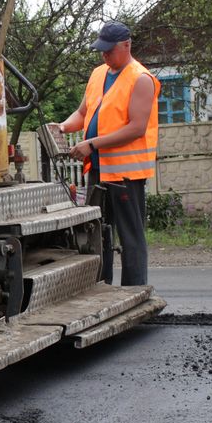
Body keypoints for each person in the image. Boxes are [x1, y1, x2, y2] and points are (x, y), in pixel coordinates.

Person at [58, 21, 159, 286]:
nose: (104, 55)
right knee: (98, 234)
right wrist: (63, 127)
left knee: (130, 236)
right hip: (99, 169)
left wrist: (92, 144)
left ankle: (134, 293)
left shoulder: (141, 79)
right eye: (101, 50)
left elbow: (136, 128)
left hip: (126, 173)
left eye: (109, 50)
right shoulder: (98, 74)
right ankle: (101, 290)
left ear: (126, 46)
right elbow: (83, 113)